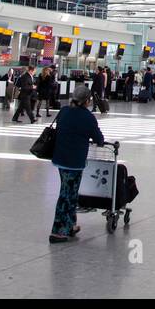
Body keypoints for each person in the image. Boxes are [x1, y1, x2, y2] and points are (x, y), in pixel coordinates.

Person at [48, 85, 106, 243]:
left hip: (60, 159)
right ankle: (58, 231)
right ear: (86, 101)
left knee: (70, 192)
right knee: (67, 195)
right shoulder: (87, 117)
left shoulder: (64, 111)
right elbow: (98, 138)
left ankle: (71, 224)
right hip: (74, 162)